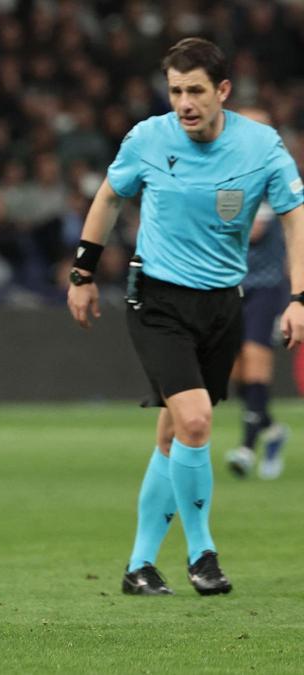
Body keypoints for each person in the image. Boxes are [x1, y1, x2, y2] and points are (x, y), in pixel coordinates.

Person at [67, 38, 304, 597]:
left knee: (175, 437)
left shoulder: (261, 147)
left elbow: (295, 221)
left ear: (222, 91)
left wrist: (300, 296)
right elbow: (108, 197)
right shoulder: (149, 138)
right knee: (196, 421)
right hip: (157, 300)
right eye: (175, 91)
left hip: (223, 304)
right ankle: (203, 554)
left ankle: (139, 566)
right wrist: (82, 273)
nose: (184, 102)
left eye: (195, 90)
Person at [224, 109, 290, 480]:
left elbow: (252, 230)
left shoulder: (272, 174)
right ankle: (272, 431)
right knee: (236, 375)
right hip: (231, 284)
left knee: (254, 359)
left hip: (265, 285)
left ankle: (247, 448)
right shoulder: (230, 173)